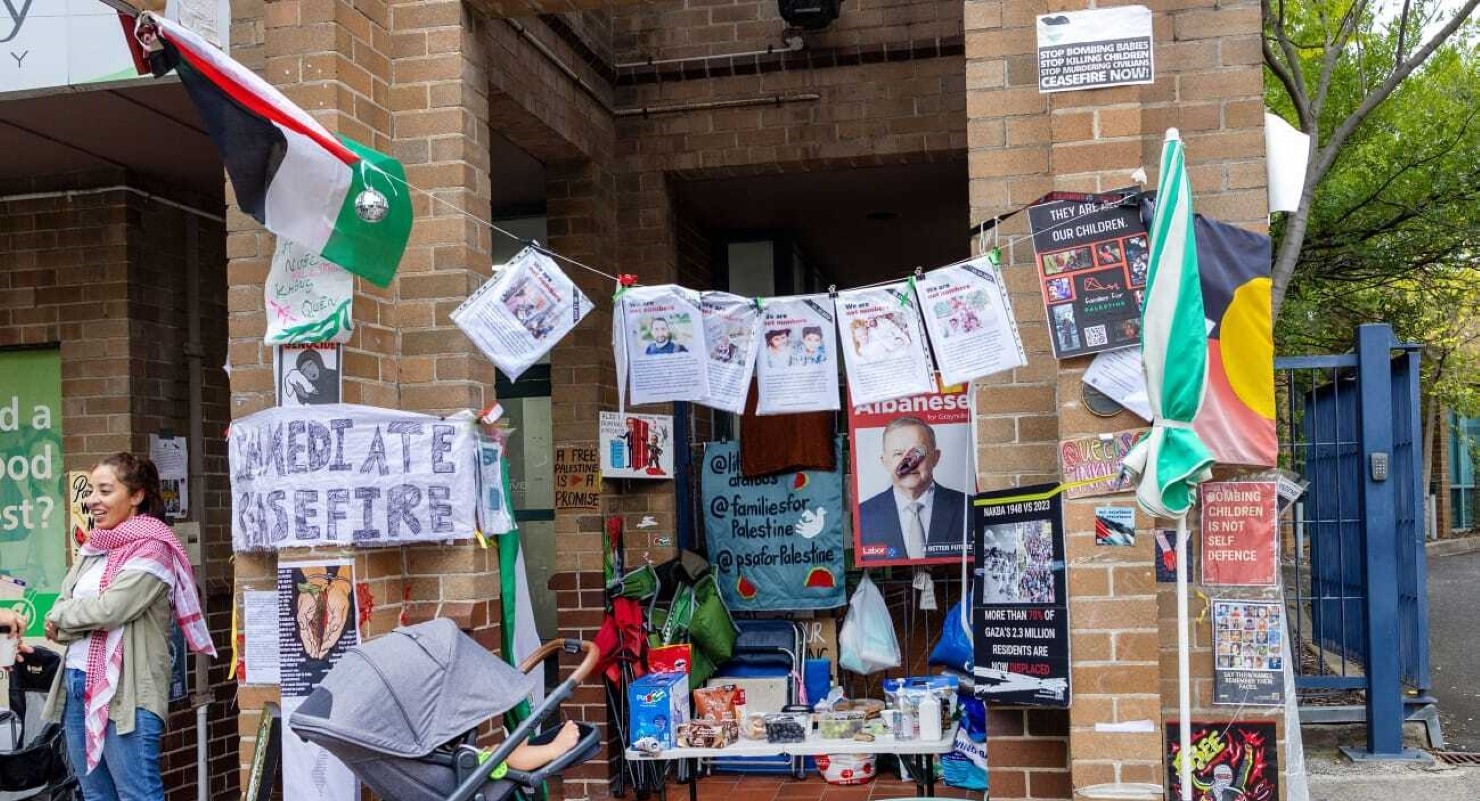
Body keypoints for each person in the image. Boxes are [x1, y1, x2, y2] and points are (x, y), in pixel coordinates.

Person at [41, 453, 216, 801]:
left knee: (137, 794)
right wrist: (68, 616)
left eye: (105, 491)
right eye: (91, 490)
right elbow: (64, 603)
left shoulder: (155, 548)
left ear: (136, 496)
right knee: (95, 794)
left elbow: (111, 609)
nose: (92, 500)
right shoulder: (94, 547)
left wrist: (65, 618)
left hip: (130, 692)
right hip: (78, 684)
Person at [856, 417, 966, 561]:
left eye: (917, 453)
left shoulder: (968, 508)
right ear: (885, 462)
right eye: (898, 453)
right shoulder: (863, 516)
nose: (910, 464)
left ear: (936, 457)